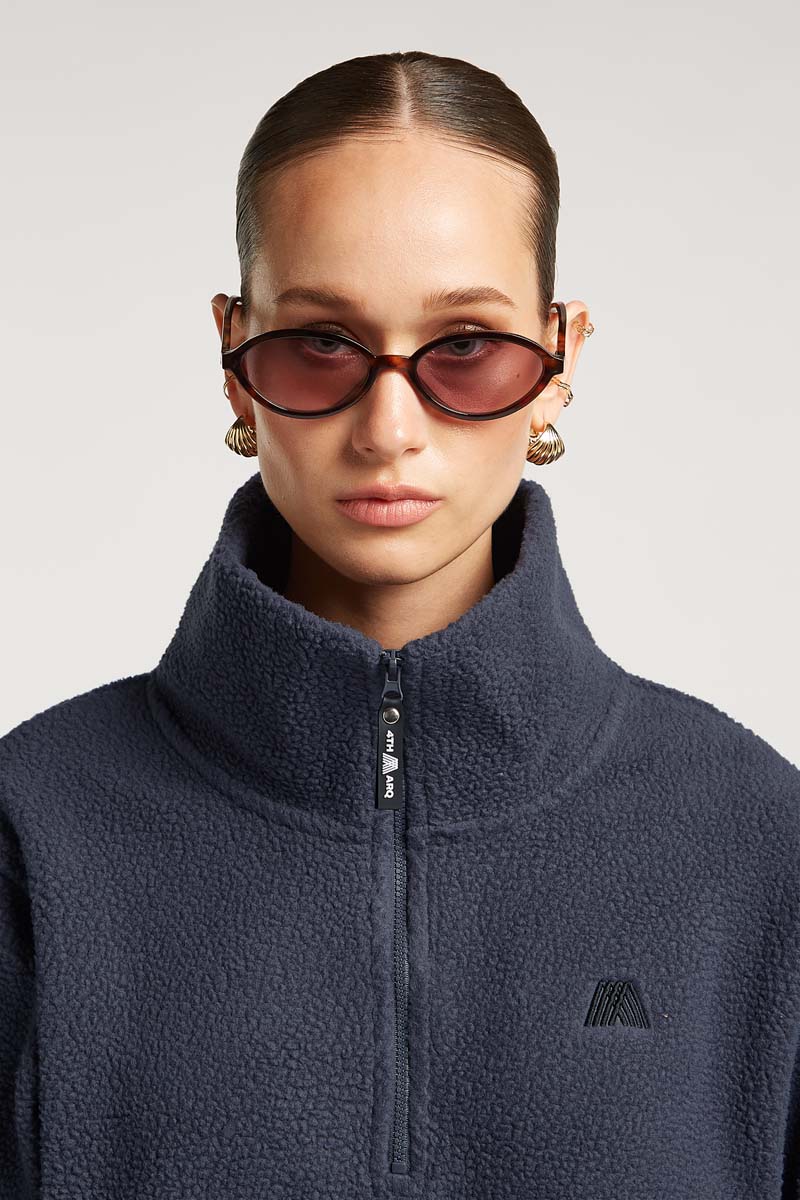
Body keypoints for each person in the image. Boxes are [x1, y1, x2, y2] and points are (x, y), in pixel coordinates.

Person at [1, 49, 798, 1200]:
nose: (387, 428)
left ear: (559, 357)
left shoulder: (754, 843)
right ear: (232, 355)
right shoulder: (35, 833)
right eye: (319, 342)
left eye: (464, 348)